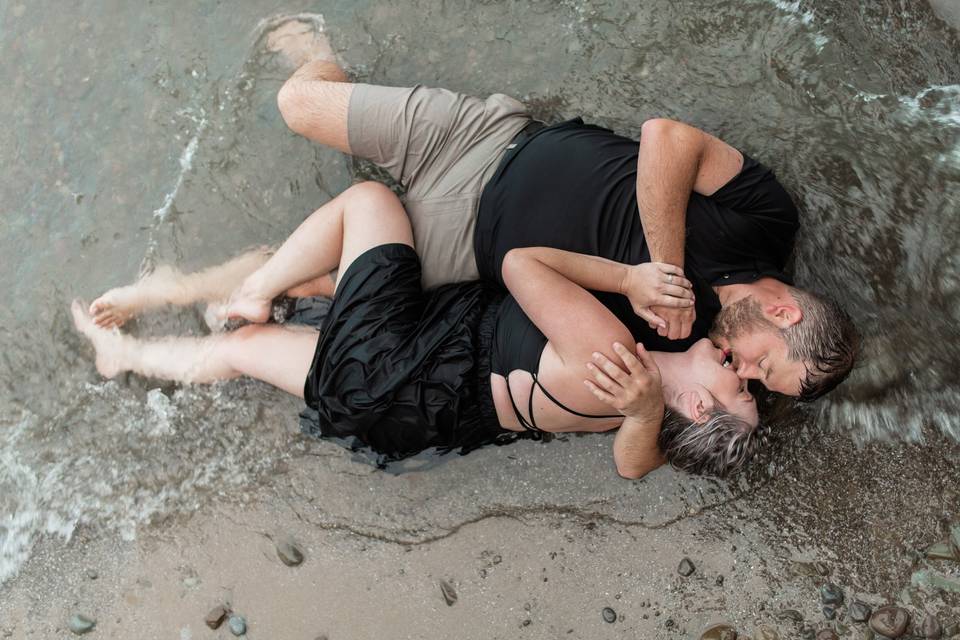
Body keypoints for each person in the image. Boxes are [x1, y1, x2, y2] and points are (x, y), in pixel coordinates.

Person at [266, 32, 858, 404]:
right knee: (297, 103)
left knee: (306, 285)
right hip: (484, 141)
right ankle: (318, 48)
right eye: (764, 363)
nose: (743, 370)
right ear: (784, 311)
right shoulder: (769, 221)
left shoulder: (688, 347)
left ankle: (211, 307)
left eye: (754, 383)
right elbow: (668, 139)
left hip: (461, 245)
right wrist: (665, 271)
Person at [77, 181, 760, 479]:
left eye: (739, 385)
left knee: (369, 203)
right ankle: (124, 355)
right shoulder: (640, 423)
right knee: (241, 350)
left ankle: (256, 291)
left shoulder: (610, 360)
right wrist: (643, 416)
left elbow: (521, 264)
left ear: (699, 406)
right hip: (399, 418)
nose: (738, 365)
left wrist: (628, 279)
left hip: (399, 363)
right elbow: (636, 466)